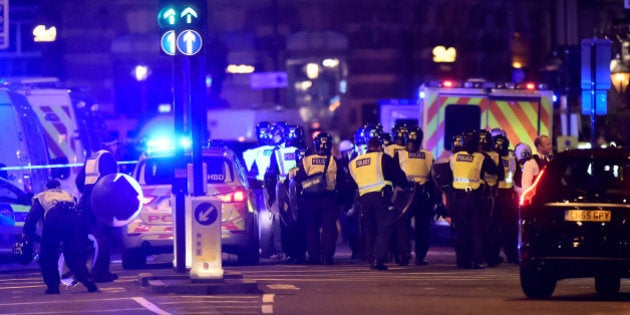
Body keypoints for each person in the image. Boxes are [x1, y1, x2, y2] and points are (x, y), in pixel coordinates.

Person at [23, 180, 98, 294]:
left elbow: (32, 216)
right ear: (59, 187)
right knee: (73, 254)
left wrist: (27, 232)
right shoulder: (68, 195)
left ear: (46, 188)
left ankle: (53, 287)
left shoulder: (42, 196)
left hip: (54, 218)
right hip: (73, 218)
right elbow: (79, 213)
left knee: (48, 255)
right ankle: (88, 281)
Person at [349, 137, 408, 271]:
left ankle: (370, 257)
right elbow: (398, 176)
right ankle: (378, 259)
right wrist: (404, 185)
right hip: (381, 198)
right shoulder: (383, 158)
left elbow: (351, 183)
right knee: (384, 229)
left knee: (370, 230)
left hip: (364, 200)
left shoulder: (355, 162)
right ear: (379, 147)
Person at [448, 130, 499, 269]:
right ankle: (477, 260)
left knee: (461, 230)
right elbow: (494, 171)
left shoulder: (455, 156)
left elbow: (449, 173)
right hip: (475, 198)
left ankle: (462, 261)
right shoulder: (480, 157)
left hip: (458, 198)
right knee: (476, 230)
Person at [294, 133, 343, 265]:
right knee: (329, 228)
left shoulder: (306, 160)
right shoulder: (334, 161)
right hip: (329, 198)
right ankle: (327, 257)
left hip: (309, 200)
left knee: (311, 229)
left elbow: (298, 180)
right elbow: (342, 182)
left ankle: (314, 256)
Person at [75, 136, 119, 283]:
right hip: (100, 200)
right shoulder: (108, 158)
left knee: (91, 236)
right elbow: (110, 181)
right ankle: (100, 272)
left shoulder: (92, 157)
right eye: (115, 144)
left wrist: (87, 191)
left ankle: (87, 270)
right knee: (103, 236)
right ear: (110, 145)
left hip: (87, 200)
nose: (116, 147)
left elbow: (79, 180)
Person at [396, 126, 434, 265]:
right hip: (412, 193)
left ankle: (412, 255)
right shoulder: (427, 155)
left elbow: (433, 177)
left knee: (414, 226)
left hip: (415, 193)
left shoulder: (401, 154)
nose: (411, 145)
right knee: (410, 226)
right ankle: (410, 255)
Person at [492, 134, 519, 264]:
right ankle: (512, 256)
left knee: (494, 228)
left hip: (495, 195)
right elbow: (517, 177)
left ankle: (493, 256)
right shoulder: (512, 158)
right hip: (509, 196)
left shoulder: (492, 158)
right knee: (510, 229)